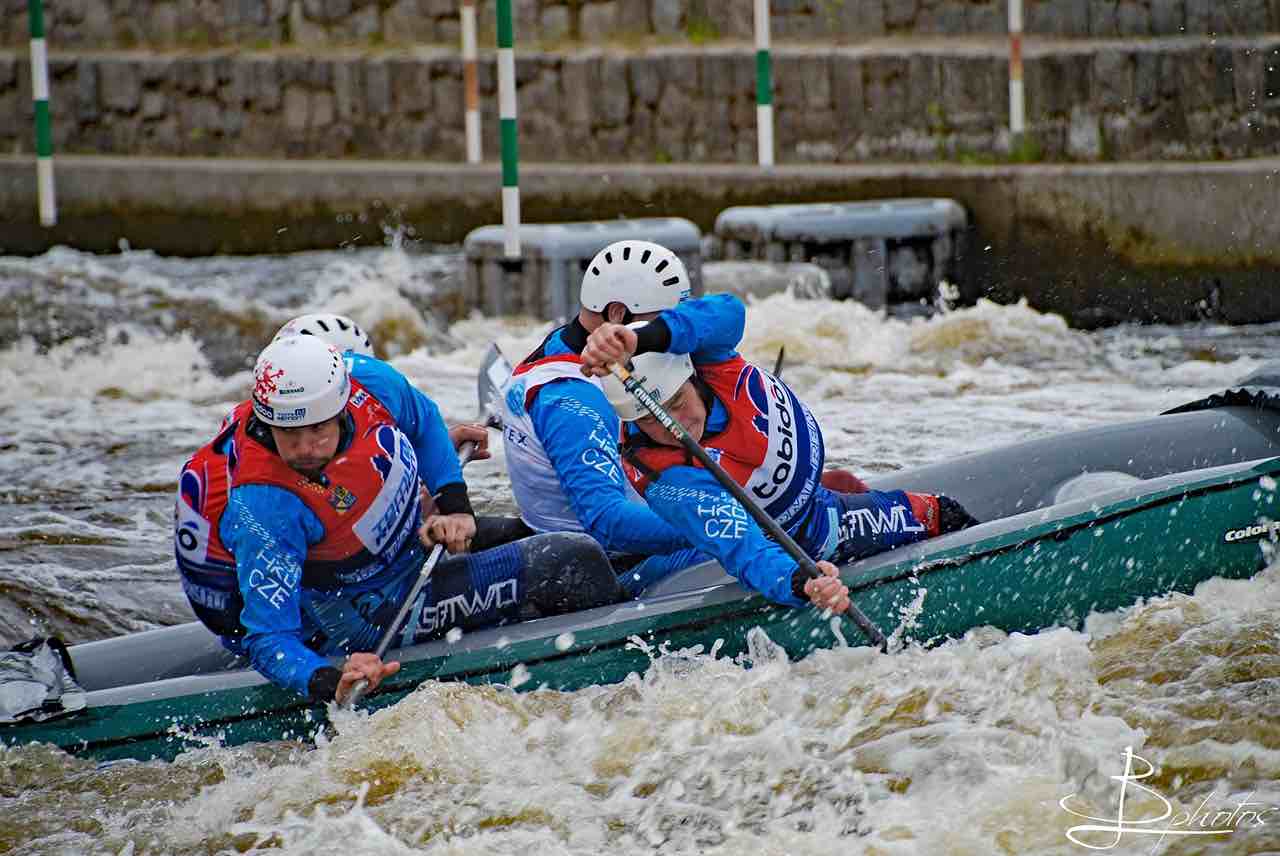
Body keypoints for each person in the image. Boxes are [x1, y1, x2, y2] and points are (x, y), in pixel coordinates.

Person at [175, 335, 619, 705]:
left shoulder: (369, 381)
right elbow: (267, 638)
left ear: (342, 404)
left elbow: (423, 420)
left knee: (546, 535)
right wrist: (332, 680)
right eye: (289, 434)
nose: (306, 448)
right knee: (568, 561)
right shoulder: (264, 506)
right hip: (368, 616)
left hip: (406, 549)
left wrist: (453, 503)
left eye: (317, 430)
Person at [581, 315, 980, 615]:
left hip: (818, 499)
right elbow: (742, 547)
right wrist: (802, 582)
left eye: (678, 403)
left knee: (940, 510)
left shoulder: (711, 356)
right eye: (651, 419)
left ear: (693, 378)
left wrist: (639, 337)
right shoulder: (668, 478)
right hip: (815, 537)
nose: (676, 425)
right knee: (938, 513)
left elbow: (728, 310)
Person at [499, 239, 745, 594]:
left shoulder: (569, 343)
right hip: (619, 567)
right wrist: (722, 521)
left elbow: (725, 316)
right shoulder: (572, 399)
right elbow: (608, 519)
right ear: (617, 314)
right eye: (662, 319)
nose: (674, 336)